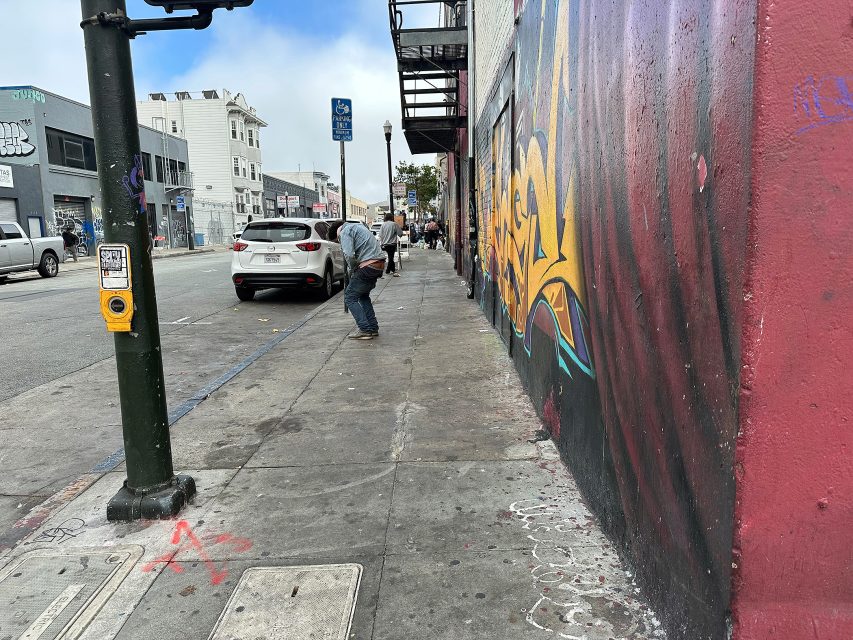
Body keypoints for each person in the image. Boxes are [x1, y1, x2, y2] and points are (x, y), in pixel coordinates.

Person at [329, 219, 386, 340]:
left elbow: (349, 254)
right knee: (363, 296)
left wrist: (353, 268)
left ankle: (365, 329)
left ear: (336, 234)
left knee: (349, 297)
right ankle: (372, 328)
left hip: (368, 266)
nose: (339, 243)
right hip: (378, 264)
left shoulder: (344, 232)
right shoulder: (357, 227)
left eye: (337, 241)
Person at [378, 212, 403, 277]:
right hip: (392, 244)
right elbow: (400, 233)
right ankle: (388, 270)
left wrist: (382, 242)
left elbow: (380, 235)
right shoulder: (394, 224)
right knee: (391, 257)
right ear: (392, 217)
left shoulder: (383, 225)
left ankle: (393, 269)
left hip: (385, 244)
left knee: (390, 256)